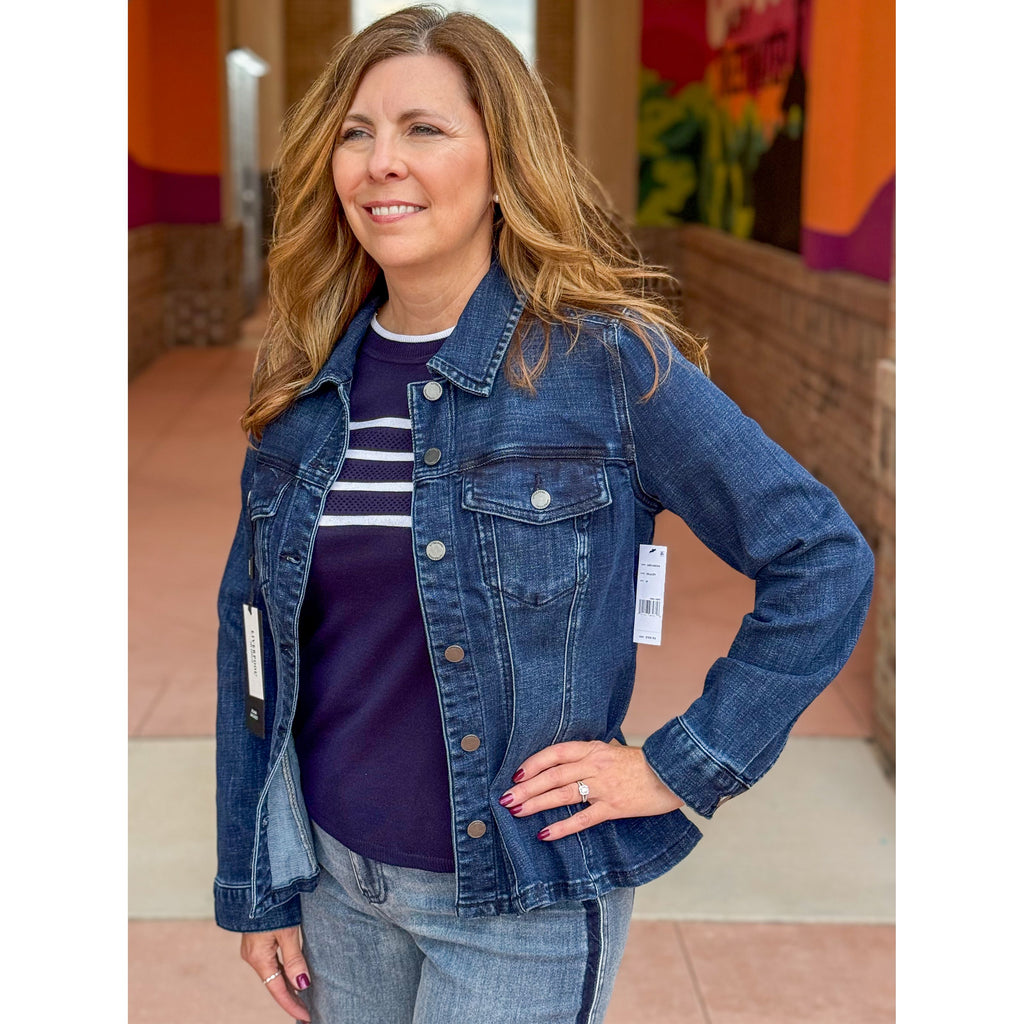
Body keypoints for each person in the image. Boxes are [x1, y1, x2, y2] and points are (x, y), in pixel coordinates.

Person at [214, 5, 874, 1022]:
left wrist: (681, 765)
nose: (382, 162)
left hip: (520, 906)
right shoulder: (307, 394)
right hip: (336, 889)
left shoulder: (604, 364)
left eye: (424, 129)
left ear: (501, 163)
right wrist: (255, 881)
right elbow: (253, 643)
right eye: (356, 132)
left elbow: (821, 556)